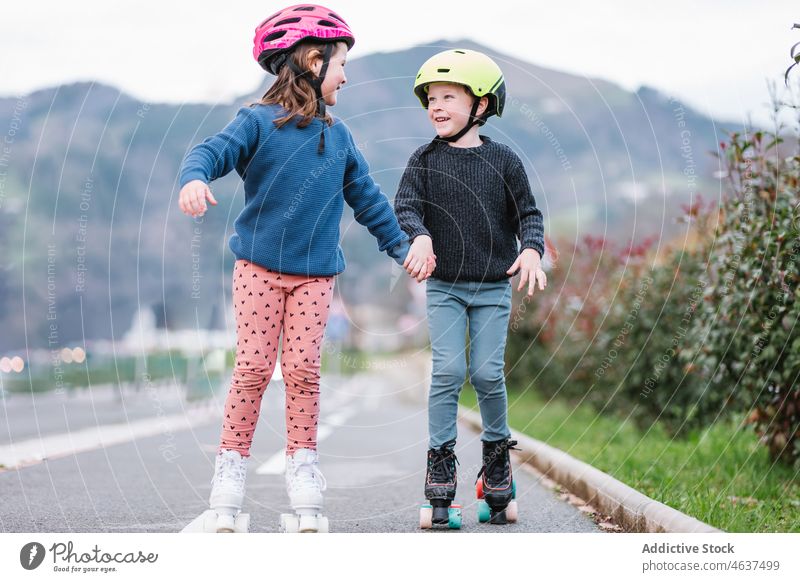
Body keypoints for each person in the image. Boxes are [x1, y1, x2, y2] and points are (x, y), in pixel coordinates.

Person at [178, 4, 431, 532]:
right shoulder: (256, 122)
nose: (346, 76)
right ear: (313, 62)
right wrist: (195, 179)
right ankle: (229, 473)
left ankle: (302, 469)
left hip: (316, 277)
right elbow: (211, 151)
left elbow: (369, 201)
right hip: (258, 269)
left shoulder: (338, 137)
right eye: (341, 64)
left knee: (303, 373)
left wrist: (403, 249)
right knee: (251, 370)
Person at [394, 49, 547, 527]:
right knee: (447, 372)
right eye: (430, 99)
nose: (435, 106)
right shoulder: (423, 159)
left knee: (485, 374)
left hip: (492, 288)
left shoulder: (504, 160)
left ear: (480, 105)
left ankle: (496, 462)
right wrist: (419, 235)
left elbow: (529, 215)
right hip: (444, 287)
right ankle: (440, 472)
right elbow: (406, 207)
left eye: (447, 97)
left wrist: (532, 249)